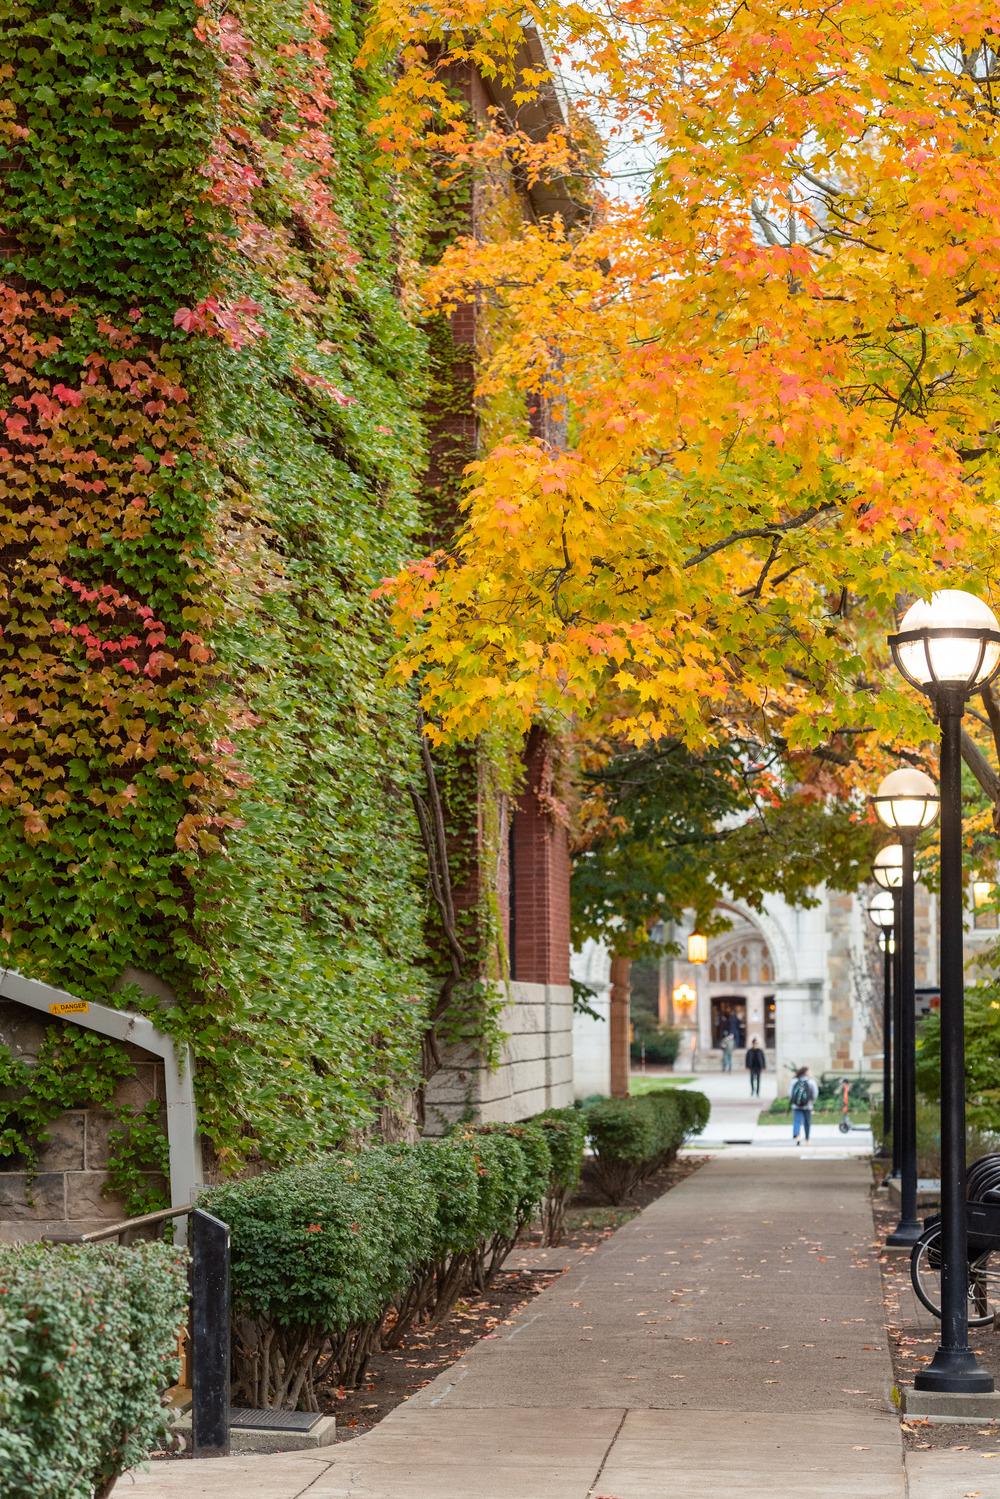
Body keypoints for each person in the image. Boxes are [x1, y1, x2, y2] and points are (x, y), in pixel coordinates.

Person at [790, 1065, 819, 1144]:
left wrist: (794, 1101)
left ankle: (797, 1136)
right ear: (806, 1072)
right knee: (807, 1122)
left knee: (797, 1120)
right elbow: (815, 1093)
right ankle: (807, 1140)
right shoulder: (811, 1082)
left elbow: (790, 1093)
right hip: (808, 1105)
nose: (811, 1073)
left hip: (796, 1105)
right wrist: (811, 1101)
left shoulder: (794, 1081)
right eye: (809, 1071)